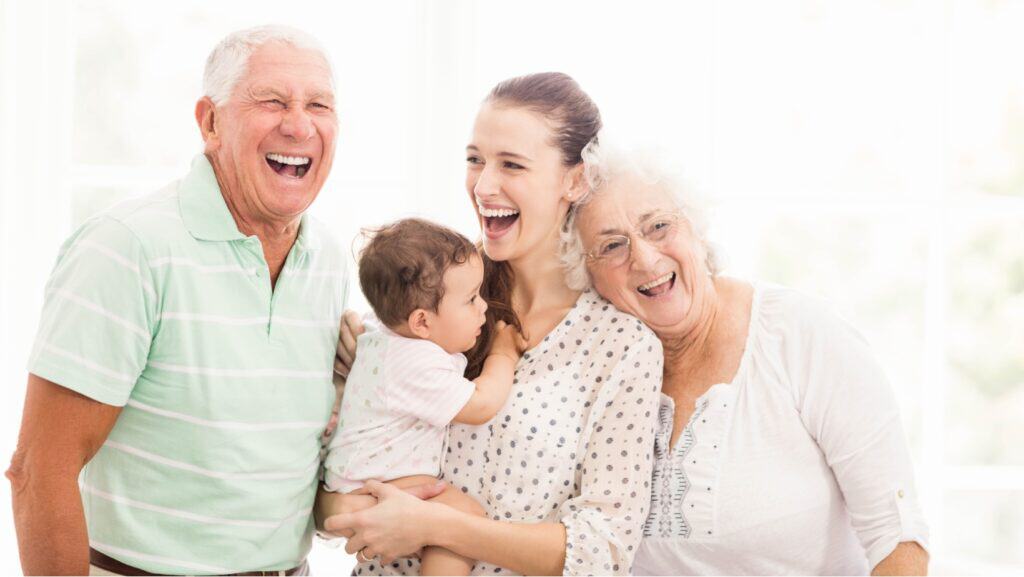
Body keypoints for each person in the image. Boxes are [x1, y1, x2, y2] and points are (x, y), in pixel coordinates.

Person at [6, 25, 347, 575]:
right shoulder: (127, 247)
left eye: (319, 105)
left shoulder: (328, 258)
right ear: (211, 122)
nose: (299, 125)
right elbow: (39, 471)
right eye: (272, 102)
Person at [318, 73, 663, 576]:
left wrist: (435, 526)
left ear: (575, 180)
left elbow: (602, 552)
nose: (482, 186)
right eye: (475, 159)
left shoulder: (621, 347)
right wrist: (342, 505)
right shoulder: (425, 301)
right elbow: (327, 491)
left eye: (512, 165)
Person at [560, 140, 930, 575]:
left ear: (696, 230)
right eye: (611, 246)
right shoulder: (596, 372)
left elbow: (898, 539)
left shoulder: (799, 333)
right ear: (589, 278)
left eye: (658, 226)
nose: (643, 257)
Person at [324, 218, 525, 576]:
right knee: (462, 517)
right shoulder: (415, 361)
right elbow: (481, 405)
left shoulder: (385, 334)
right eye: (471, 299)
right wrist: (503, 355)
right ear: (421, 322)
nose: (483, 307)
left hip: (357, 474)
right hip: (371, 481)